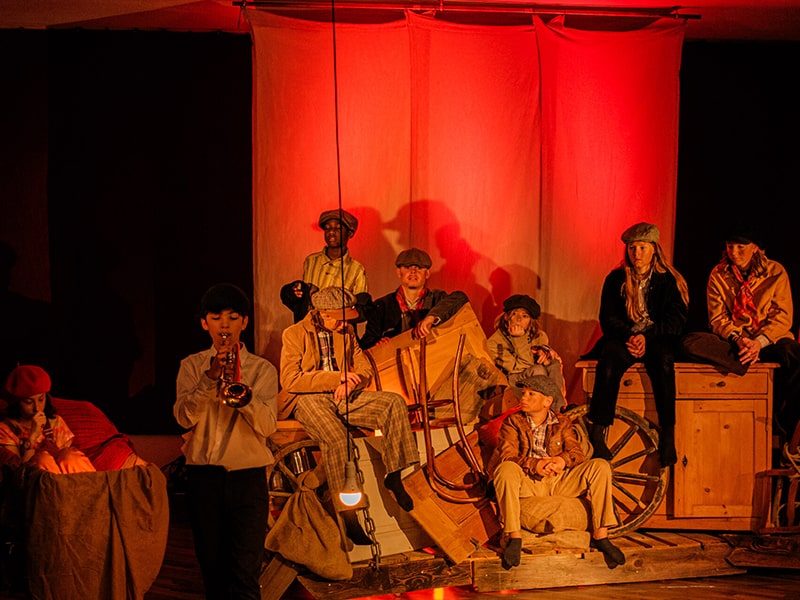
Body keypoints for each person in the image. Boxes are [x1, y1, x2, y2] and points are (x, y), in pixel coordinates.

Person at [279, 285, 419, 541]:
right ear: (324, 314)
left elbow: (364, 367)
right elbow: (290, 380)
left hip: (343, 394)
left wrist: (352, 383)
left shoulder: (347, 332)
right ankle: (348, 513)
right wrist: (336, 378)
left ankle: (395, 475)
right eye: (341, 319)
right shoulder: (295, 334)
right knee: (337, 439)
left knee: (393, 403)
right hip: (308, 397)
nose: (346, 324)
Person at [174, 283, 278, 600]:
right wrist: (209, 379)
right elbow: (183, 418)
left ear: (244, 322)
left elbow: (268, 425)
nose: (225, 325)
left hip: (248, 478)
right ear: (204, 323)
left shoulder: (262, 369)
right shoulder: (191, 366)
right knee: (213, 575)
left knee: (246, 576)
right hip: (203, 478)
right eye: (216, 317)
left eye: (233, 317)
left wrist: (241, 392)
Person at [488, 375, 625, 569]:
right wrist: (534, 464)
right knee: (505, 469)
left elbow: (577, 453)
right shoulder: (513, 422)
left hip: (558, 480)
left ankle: (601, 535)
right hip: (529, 481)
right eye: (524, 393)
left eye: (531, 394)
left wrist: (562, 460)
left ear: (547, 401)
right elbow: (507, 456)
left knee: (600, 466)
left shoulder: (562, 422)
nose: (523, 397)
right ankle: (514, 536)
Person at [583, 222, 689, 467]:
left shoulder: (669, 280)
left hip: (656, 338)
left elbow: (676, 320)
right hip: (626, 338)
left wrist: (647, 337)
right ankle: (598, 430)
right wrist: (630, 335)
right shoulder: (616, 279)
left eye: (642, 247)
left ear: (654, 249)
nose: (637, 253)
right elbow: (608, 318)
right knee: (608, 360)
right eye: (632, 248)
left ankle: (668, 435)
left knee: (664, 364)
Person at [681, 224, 800, 436]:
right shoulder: (718, 274)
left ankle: (786, 427)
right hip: (737, 342)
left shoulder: (775, 271)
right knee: (690, 342)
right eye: (730, 247)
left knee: (795, 354)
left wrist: (758, 343)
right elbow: (717, 318)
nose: (734, 253)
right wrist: (739, 340)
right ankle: (744, 360)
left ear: (755, 248)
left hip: (769, 341)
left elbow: (782, 317)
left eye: (740, 247)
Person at [359, 248, 468, 349]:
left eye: (419, 268)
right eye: (407, 267)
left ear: (427, 274)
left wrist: (431, 318)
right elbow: (366, 343)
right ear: (399, 272)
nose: (413, 272)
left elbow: (460, 298)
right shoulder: (381, 306)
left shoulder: (437, 298)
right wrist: (377, 344)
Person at [0, 364, 95, 474]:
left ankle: (96, 484)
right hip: (38, 480)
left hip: (65, 478)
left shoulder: (55, 422)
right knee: (42, 459)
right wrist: (33, 436)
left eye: (41, 399)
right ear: (16, 402)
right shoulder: (5, 430)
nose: (37, 408)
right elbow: (19, 472)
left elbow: (66, 461)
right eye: (29, 402)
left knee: (70, 456)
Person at [280, 208, 369, 323]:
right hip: (309, 328)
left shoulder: (357, 269)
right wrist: (295, 293)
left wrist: (336, 313)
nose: (331, 232)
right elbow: (301, 301)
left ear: (350, 233)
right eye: (327, 228)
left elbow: (361, 310)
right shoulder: (311, 261)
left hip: (339, 331)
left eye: (337, 228)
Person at [487, 294, 567, 412]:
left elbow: (550, 362)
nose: (519, 319)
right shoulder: (494, 342)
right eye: (515, 314)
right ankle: (553, 410)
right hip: (515, 380)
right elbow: (516, 368)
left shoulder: (539, 336)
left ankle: (558, 407)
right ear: (507, 317)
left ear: (530, 321)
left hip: (537, 378)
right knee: (538, 370)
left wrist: (546, 357)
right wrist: (519, 339)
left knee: (553, 363)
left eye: (525, 316)